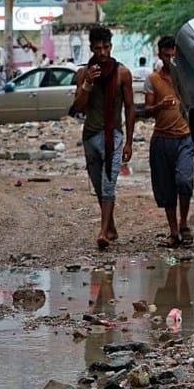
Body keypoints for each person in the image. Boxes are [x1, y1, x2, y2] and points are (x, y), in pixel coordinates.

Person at [71, 25, 136, 249]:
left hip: (113, 136)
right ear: (91, 48)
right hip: (90, 136)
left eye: (106, 47)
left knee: (109, 185)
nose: (102, 52)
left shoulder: (122, 74)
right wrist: (88, 82)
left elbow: (130, 108)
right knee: (99, 187)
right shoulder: (82, 73)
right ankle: (111, 226)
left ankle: (103, 231)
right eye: (98, 48)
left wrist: (129, 140)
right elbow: (79, 106)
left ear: (111, 46)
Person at [145, 36, 194, 248]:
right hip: (162, 139)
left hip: (184, 137)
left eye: (173, 56)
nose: (170, 59)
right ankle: (173, 232)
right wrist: (159, 107)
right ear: (160, 55)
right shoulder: (153, 80)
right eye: (166, 56)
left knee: (184, 181)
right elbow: (146, 110)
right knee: (166, 189)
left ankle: (184, 223)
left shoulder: (186, 80)